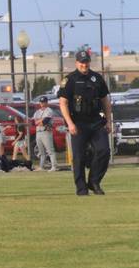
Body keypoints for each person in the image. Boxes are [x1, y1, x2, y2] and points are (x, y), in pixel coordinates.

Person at [59, 50, 111, 195]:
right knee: (79, 156)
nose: (84, 65)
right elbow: (63, 103)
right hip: (78, 123)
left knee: (104, 151)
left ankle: (94, 181)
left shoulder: (97, 78)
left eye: (86, 62)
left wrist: (108, 121)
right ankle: (81, 189)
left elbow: (105, 101)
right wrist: (70, 123)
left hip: (96, 122)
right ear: (77, 63)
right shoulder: (70, 80)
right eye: (82, 62)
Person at [33, 96, 58, 171]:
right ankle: (41, 166)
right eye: (41, 102)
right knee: (41, 152)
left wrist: (40, 121)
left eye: (44, 102)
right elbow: (34, 122)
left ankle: (54, 166)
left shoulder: (49, 110)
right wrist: (40, 120)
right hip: (38, 132)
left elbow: (45, 122)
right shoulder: (37, 111)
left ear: (47, 102)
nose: (42, 103)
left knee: (50, 150)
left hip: (46, 132)